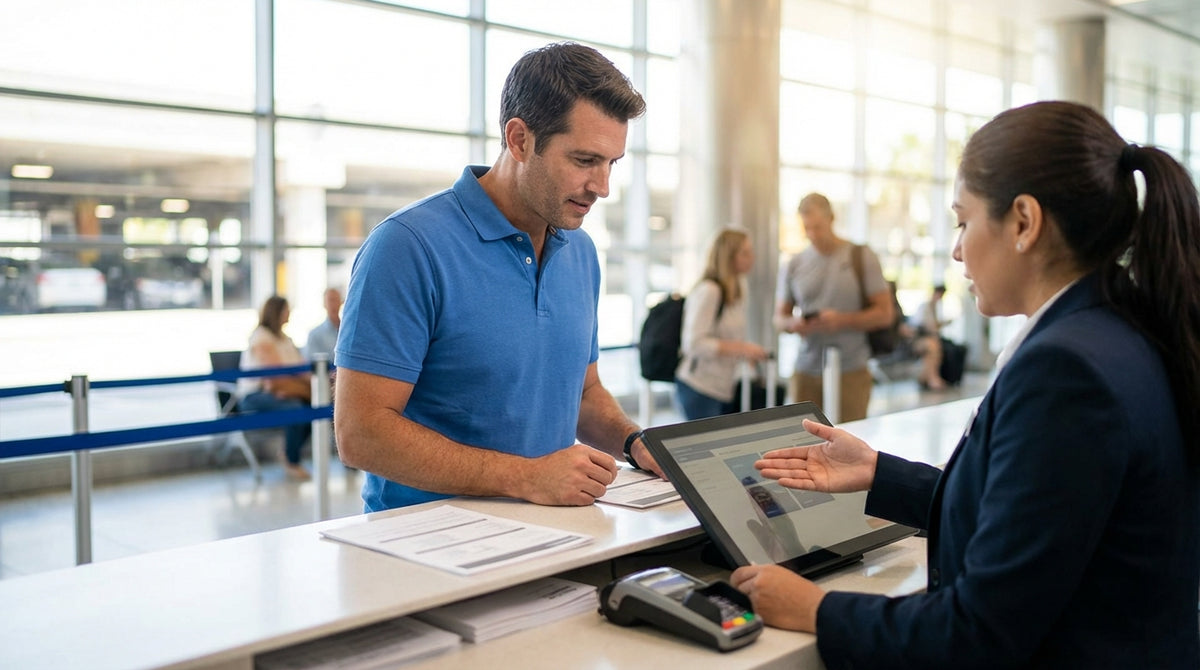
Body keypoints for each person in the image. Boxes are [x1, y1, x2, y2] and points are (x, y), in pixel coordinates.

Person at [730, 101, 1200, 669]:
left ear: (1024, 222)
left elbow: (977, 635)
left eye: (963, 220)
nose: (957, 249)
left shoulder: (1067, 371)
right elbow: (1040, 519)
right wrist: (882, 474)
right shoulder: (1121, 327)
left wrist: (816, 608)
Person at [334, 42, 659, 512]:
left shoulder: (581, 252)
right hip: (425, 546)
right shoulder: (408, 245)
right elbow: (361, 432)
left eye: (612, 163)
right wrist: (524, 477)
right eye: (585, 160)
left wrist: (635, 442)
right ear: (520, 139)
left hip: (552, 533)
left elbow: (582, 391)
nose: (602, 187)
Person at [774, 193, 894, 422]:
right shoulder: (794, 264)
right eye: (807, 228)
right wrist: (793, 323)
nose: (813, 235)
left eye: (818, 227)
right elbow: (779, 319)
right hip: (807, 368)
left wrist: (841, 320)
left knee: (847, 442)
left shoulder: (861, 256)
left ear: (832, 219)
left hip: (851, 369)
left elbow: (885, 314)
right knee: (803, 446)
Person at [674, 227, 768, 420]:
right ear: (729, 256)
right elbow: (693, 343)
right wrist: (741, 348)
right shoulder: (709, 291)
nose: (752, 257)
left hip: (724, 386)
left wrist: (744, 352)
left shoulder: (739, 287)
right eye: (745, 253)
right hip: (699, 386)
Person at [238, 295, 313, 481]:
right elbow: (275, 379)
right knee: (295, 409)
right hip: (254, 396)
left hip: (282, 393)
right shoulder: (261, 337)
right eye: (286, 310)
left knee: (312, 408)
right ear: (276, 312)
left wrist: (304, 387)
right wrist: (300, 387)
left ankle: (289, 453)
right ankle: (291, 460)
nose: (289, 314)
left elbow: (300, 371)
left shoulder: (285, 339)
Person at [901, 283, 948, 390]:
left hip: (927, 339)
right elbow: (921, 327)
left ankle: (926, 378)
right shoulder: (924, 307)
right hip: (915, 340)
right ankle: (932, 378)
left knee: (933, 349)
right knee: (932, 348)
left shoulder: (935, 308)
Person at [304, 287, 342, 362]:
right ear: (324, 304)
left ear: (341, 302)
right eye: (330, 300)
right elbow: (312, 364)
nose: (333, 304)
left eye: (336, 300)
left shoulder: (348, 332)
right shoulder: (314, 335)